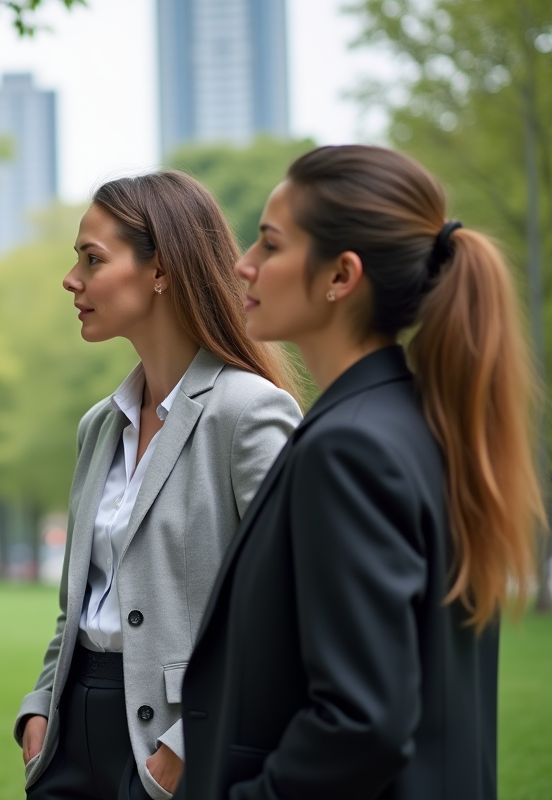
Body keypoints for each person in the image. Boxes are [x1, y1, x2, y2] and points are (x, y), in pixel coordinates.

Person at [179, 145, 544, 800]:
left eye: (270, 243)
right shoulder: (419, 425)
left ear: (341, 276)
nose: (243, 263)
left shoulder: (349, 449)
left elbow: (362, 723)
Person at [16, 172, 302, 800]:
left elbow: (285, 607)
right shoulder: (99, 425)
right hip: (70, 735)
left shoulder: (250, 413)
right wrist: (41, 705)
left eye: (92, 259)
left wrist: (191, 741)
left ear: (161, 271)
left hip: (176, 741)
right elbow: (79, 599)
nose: (71, 279)